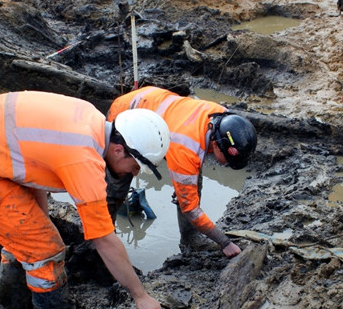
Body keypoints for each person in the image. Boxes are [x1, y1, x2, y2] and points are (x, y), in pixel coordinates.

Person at [0, 91, 171, 309]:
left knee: (32, 238)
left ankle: (11, 306)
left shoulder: (91, 119)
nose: (133, 173)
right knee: (45, 252)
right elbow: (104, 240)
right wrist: (141, 297)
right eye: (135, 166)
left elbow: (33, 166)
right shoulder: (84, 160)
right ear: (119, 150)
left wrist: (40, 222)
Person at [107, 86, 257, 259]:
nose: (228, 165)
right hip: (125, 117)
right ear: (216, 145)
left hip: (154, 104)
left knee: (191, 183)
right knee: (117, 185)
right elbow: (191, 208)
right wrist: (225, 242)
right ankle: (104, 241)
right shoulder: (186, 148)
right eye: (229, 160)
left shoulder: (223, 118)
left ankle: (190, 237)